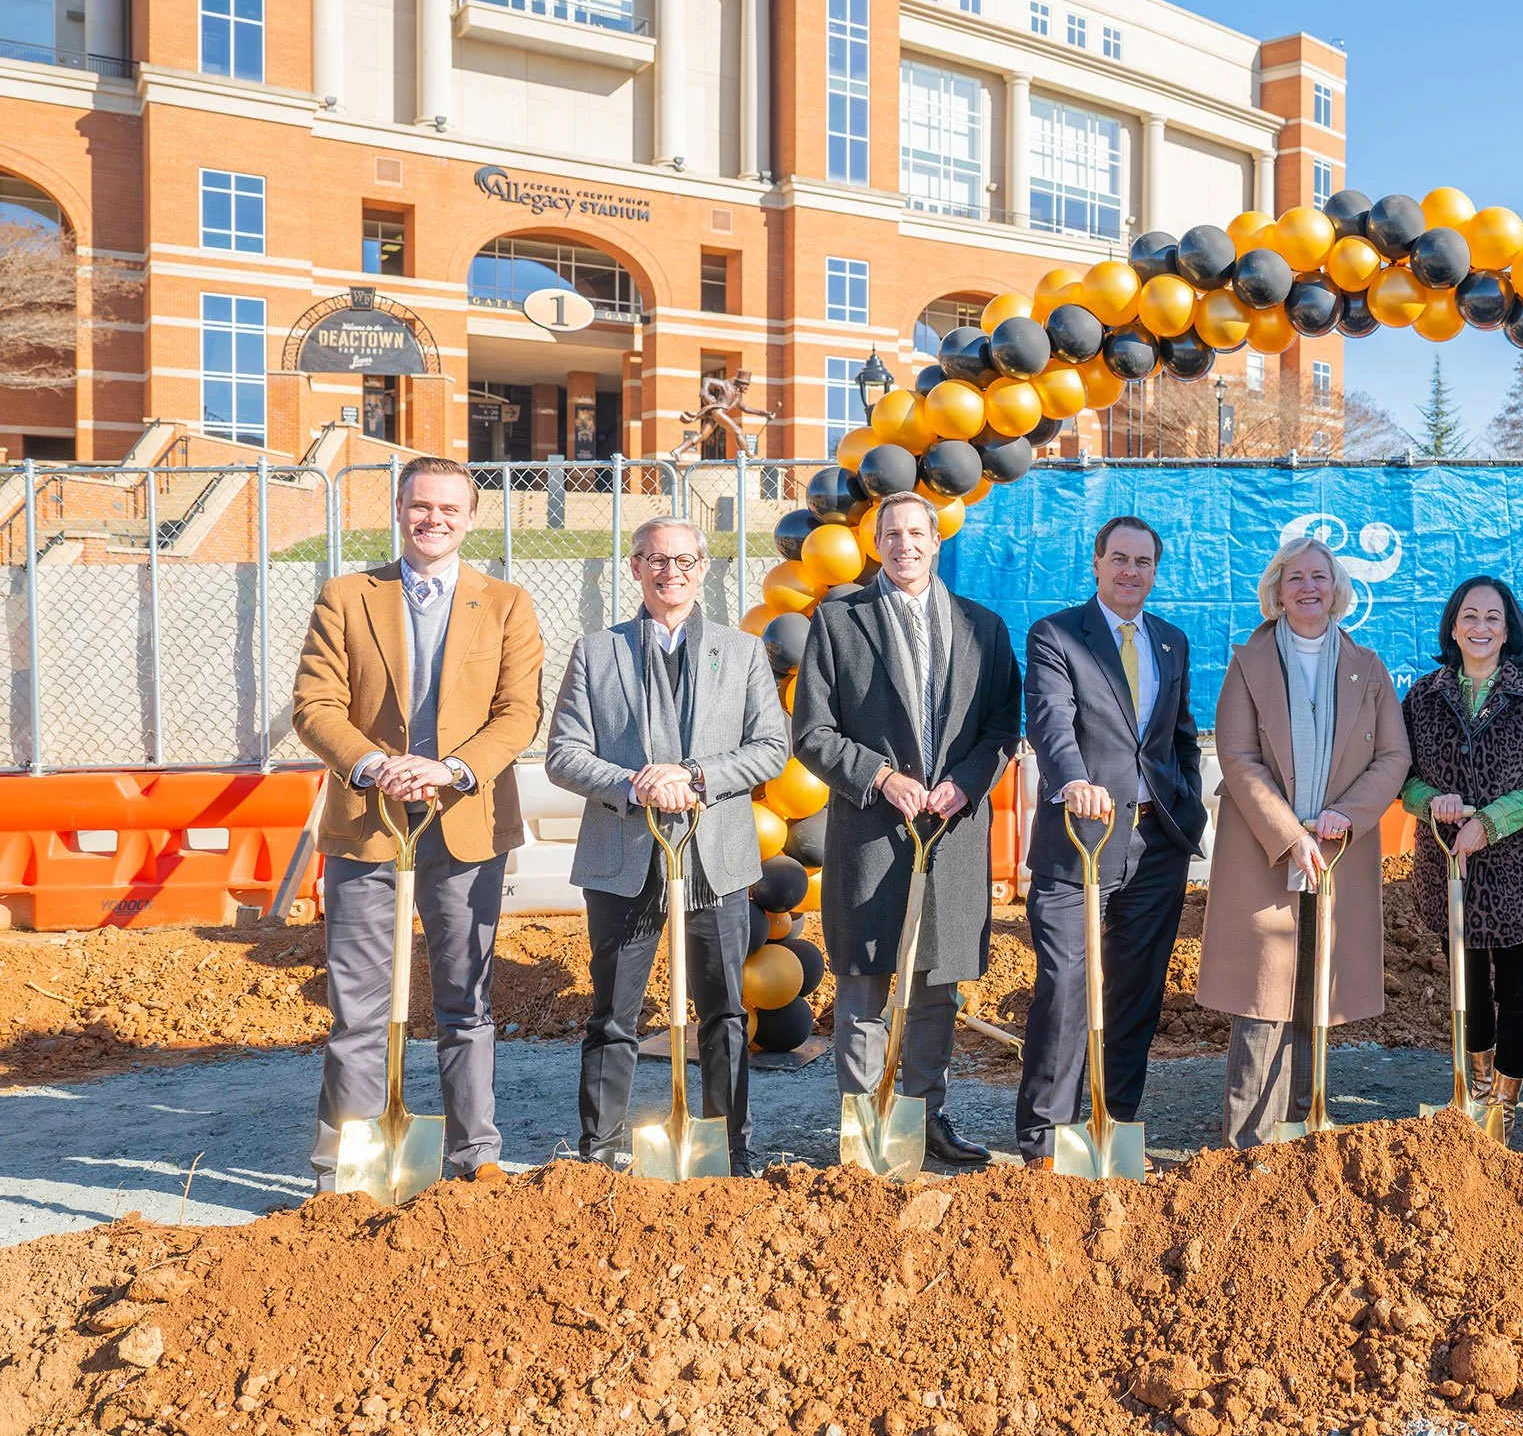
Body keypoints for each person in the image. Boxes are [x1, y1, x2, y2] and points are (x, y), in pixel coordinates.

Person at [290, 456, 544, 1188]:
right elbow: (315, 705)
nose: (434, 519)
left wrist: (450, 768)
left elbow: (518, 712)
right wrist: (375, 765)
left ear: (471, 518)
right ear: (399, 510)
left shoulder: (506, 604)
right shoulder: (346, 596)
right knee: (358, 1008)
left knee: (466, 1001)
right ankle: (345, 1166)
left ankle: (475, 1155)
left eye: (449, 508)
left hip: (463, 822)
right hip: (367, 823)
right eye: (421, 506)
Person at [543, 517, 788, 1176]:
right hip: (623, 857)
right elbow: (564, 754)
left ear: (703, 568)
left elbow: (772, 748)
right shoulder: (597, 652)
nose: (669, 571)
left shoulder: (742, 652)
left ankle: (727, 1148)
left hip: (714, 861)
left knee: (724, 1012)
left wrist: (695, 776)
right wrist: (635, 783)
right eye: (655, 559)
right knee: (612, 1014)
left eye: (683, 560)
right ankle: (600, 1151)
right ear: (635, 568)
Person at [790, 491, 1021, 1169]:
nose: (905, 545)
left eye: (917, 533)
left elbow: (1002, 727)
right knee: (864, 984)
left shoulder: (983, 627)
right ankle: (864, 1128)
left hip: (950, 835)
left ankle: (921, 1118)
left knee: (934, 990)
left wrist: (967, 782)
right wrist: (882, 777)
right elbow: (812, 732)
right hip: (870, 833)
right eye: (892, 534)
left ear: (936, 540)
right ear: (876, 543)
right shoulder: (839, 622)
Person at [1199, 535, 1411, 1147]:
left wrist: (1348, 814)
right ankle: (1247, 1147)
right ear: (1278, 590)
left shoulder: (1368, 667)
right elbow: (1238, 757)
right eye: (1295, 578)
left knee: (1318, 988)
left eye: (1320, 576)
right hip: (1264, 849)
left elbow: (1394, 756)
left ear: (1337, 588)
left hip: (1340, 851)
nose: (1308, 588)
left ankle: (1298, 1137)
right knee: (1263, 994)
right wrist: (1291, 835)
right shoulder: (1249, 663)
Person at [1013, 516, 1208, 1168]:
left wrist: (1187, 806)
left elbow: (1179, 735)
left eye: (1143, 561)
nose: (1130, 571)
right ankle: (1047, 1140)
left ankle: (1114, 1125)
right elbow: (1051, 722)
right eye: (1119, 558)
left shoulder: (1171, 641)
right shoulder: (1058, 634)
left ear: (1155, 571)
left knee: (1136, 992)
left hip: (1156, 844)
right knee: (1066, 986)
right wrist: (1073, 782)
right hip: (1081, 839)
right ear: (1096, 563)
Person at [1398, 576, 1523, 1146]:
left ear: (1509, 631)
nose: (1480, 627)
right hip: (1449, 864)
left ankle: (1505, 1099)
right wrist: (1431, 800)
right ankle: (1475, 1089)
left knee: (1518, 987)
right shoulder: (1424, 697)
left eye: (1492, 618)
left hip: (1519, 871)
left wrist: (1490, 821)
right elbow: (1398, 773)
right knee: (1467, 984)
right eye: (1470, 616)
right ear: (1453, 627)